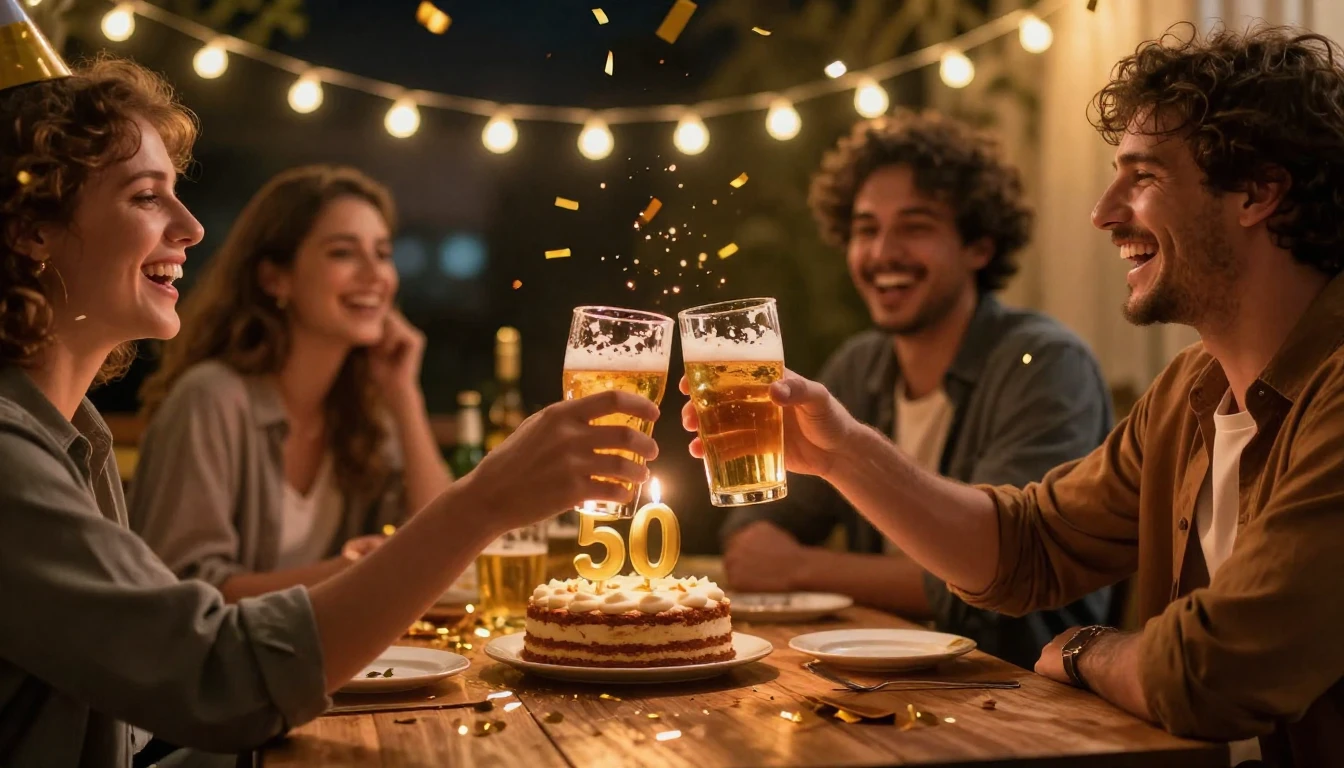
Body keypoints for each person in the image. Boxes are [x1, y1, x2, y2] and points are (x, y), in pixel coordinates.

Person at [686, 25, 1344, 766]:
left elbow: (1218, 671)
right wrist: (843, 454)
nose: (1103, 211)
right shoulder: (1191, 389)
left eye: (1144, 176)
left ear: (1257, 192)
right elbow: (1029, 545)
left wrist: (1089, 650)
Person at [0, 38, 658, 768]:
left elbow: (132, 729)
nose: (190, 229)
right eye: (145, 196)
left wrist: (408, 404)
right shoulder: (16, 452)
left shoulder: (75, 435)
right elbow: (213, 676)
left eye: (383, 251)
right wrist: (486, 500)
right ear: (31, 230)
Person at [719, 111, 1113, 669]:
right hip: (873, 680)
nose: (882, 253)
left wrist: (801, 569)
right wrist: (755, 538)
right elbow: (763, 526)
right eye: (865, 228)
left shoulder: (1045, 364)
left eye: (915, 225)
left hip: (1024, 689)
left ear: (979, 245)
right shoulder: (859, 367)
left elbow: (1004, 573)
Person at [130, 165, 450, 601]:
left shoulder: (364, 409)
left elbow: (445, 547)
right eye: (343, 253)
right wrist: (352, 571)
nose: (375, 275)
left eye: (383, 253)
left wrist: (404, 395)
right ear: (274, 278)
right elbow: (181, 589)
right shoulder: (211, 398)